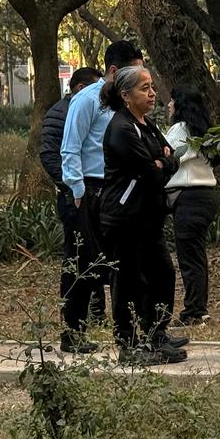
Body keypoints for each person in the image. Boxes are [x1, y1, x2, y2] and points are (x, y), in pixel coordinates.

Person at [95, 66, 182, 364]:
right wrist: (161, 163)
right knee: (128, 280)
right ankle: (129, 344)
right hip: (124, 217)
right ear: (125, 95)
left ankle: (156, 333)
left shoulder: (147, 124)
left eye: (152, 86)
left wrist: (163, 163)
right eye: (145, 88)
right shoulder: (121, 128)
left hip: (149, 216)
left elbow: (172, 158)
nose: (153, 92)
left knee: (163, 274)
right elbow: (150, 172)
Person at [60, 42, 144, 352]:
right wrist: (78, 191)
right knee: (82, 264)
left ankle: (130, 332)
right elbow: (70, 147)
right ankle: (72, 333)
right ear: (113, 71)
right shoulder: (87, 100)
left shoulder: (124, 101)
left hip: (117, 190)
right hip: (90, 189)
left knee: (120, 263)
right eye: (132, 71)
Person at [39, 64, 102, 351]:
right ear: (79, 89)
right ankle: (73, 331)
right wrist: (71, 187)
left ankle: (96, 314)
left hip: (93, 194)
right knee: (78, 260)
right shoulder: (60, 114)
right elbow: (52, 155)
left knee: (96, 258)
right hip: (74, 197)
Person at [164, 86, 220, 325]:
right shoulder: (205, 132)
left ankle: (195, 311)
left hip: (189, 199)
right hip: (207, 196)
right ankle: (198, 308)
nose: (168, 106)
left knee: (190, 258)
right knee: (197, 255)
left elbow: (167, 157)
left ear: (180, 106)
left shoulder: (179, 129)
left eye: (172, 101)